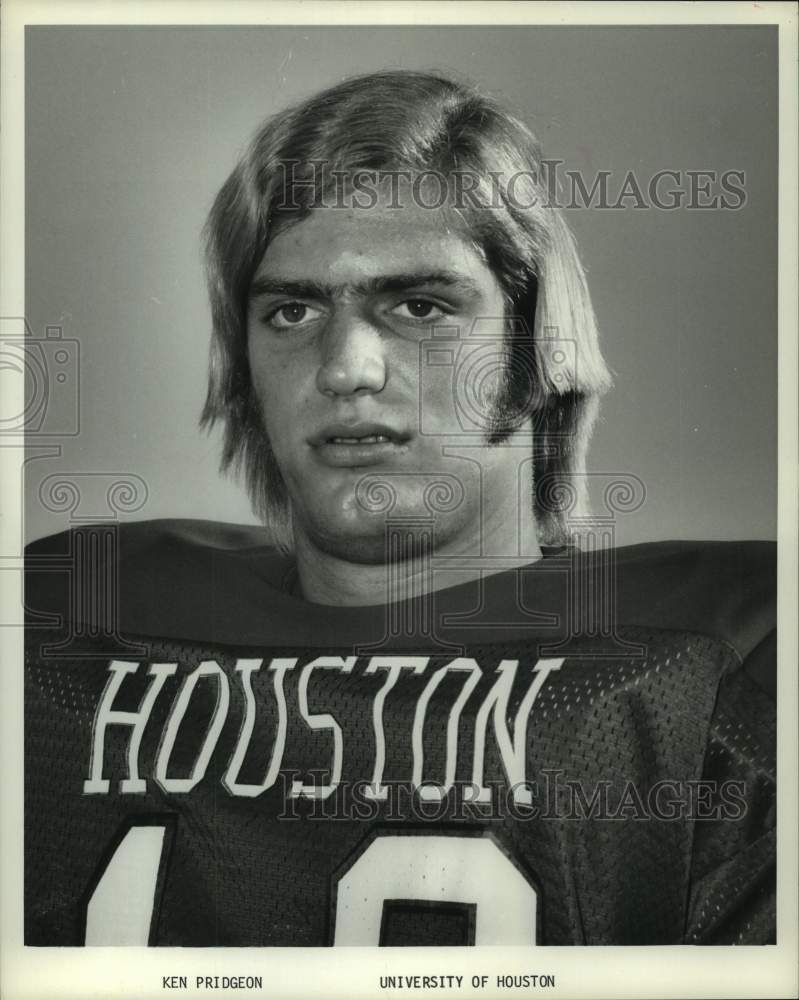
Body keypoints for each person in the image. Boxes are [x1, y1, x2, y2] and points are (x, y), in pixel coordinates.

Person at [24, 70, 775, 946]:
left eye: (420, 306)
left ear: (540, 348)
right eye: (292, 310)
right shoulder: (68, 612)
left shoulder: (722, 652)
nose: (345, 367)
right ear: (243, 364)